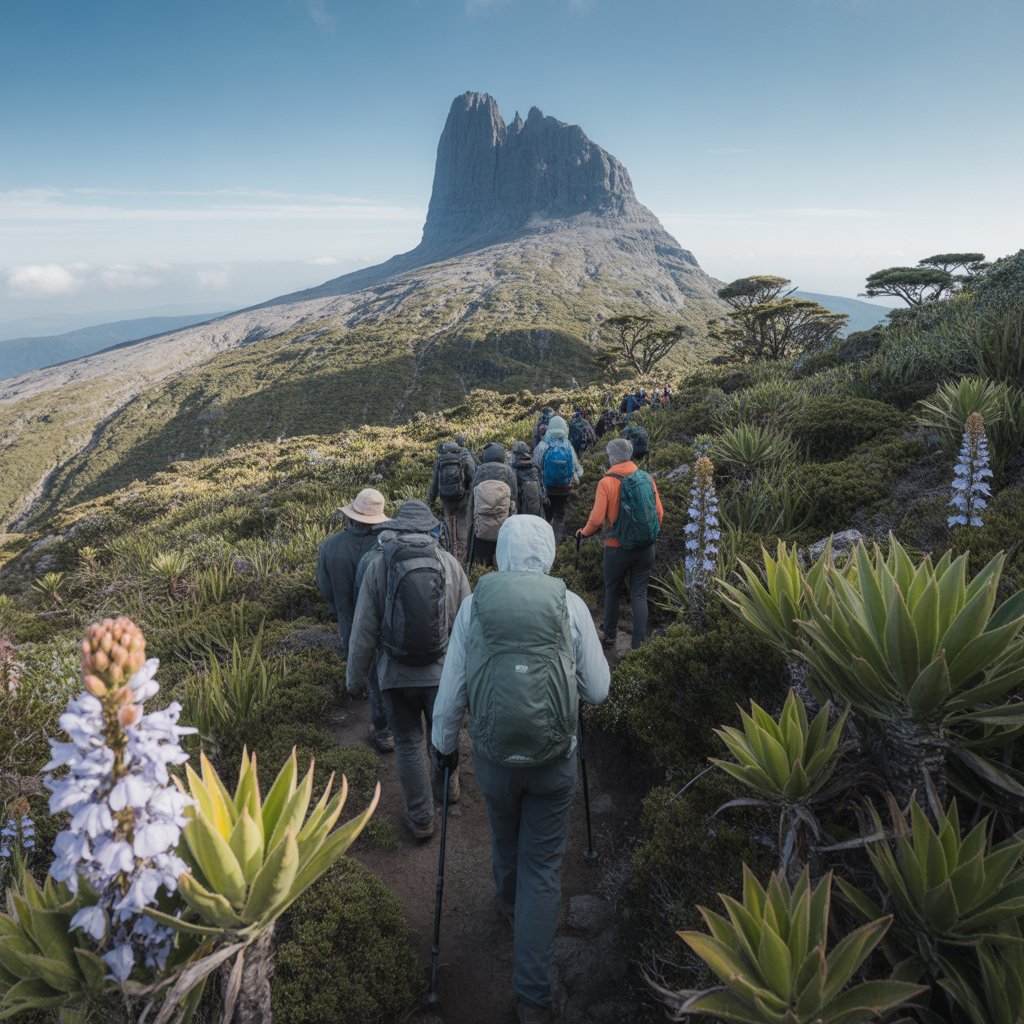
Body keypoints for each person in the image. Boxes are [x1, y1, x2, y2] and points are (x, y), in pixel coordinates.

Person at [431, 515, 610, 1024]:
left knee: (504, 836)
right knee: (544, 868)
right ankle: (532, 996)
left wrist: (443, 747)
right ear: (549, 552)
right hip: (554, 762)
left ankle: (508, 902)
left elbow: (452, 693)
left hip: (492, 757)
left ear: (502, 551)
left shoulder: (476, 606)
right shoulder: (569, 604)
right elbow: (598, 690)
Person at [347, 500, 471, 840]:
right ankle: (450, 790)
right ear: (430, 528)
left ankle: (421, 819)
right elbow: (466, 623)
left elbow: (363, 630)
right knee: (442, 734)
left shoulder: (379, 564)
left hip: (395, 675)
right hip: (440, 673)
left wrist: (355, 679)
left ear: (397, 527)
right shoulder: (448, 564)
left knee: (407, 742)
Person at [316, 488, 395, 752]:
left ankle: (379, 726)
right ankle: (387, 728)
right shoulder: (386, 547)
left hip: (348, 619)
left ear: (351, 516)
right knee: (382, 669)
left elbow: (325, 588)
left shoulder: (330, 547)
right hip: (385, 622)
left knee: (364, 664)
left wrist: (340, 609)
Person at [576, 438, 664, 650]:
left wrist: (583, 533)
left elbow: (596, 520)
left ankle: (609, 637)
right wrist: (645, 535)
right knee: (639, 594)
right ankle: (638, 645)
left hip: (617, 548)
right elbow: (659, 513)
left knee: (612, 590)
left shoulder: (606, 482)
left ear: (612, 457)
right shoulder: (646, 478)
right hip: (646, 548)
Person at [532, 415, 582, 544]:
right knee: (559, 515)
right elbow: (578, 469)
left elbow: (536, 466)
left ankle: (544, 542)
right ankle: (558, 542)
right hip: (565, 488)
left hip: (547, 488)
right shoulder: (568, 446)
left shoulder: (543, 445)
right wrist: (575, 478)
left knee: (547, 515)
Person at [428, 437, 477, 562]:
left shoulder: (441, 461)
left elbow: (434, 483)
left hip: (446, 499)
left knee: (448, 523)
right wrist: (471, 495)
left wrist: (431, 501)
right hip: (462, 498)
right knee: (462, 522)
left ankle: (450, 552)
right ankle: (463, 554)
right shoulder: (464, 458)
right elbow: (472, 477)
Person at [470, 443, 520, 566]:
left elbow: (473, 496)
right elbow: (514, 497)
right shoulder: (508, 470)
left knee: (481, 556)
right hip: (502, 523)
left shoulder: (480, 470)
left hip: (482, 524)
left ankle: (481, 567)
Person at [509, 440, 548, 517]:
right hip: (536, 505)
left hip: (520, 505)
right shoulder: (534, 464)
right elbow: (542, 485)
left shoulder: (512, 467)